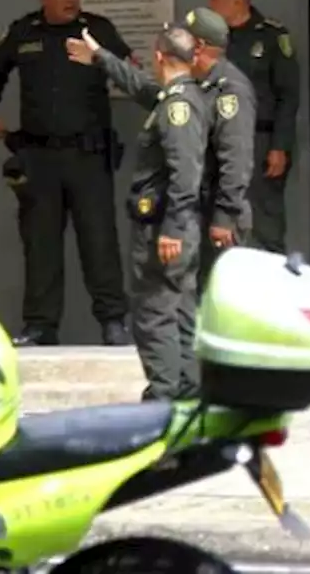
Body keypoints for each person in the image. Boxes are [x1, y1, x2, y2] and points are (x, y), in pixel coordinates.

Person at [0, 0, 132, 347]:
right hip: (40, 158)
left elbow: (129, 69)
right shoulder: (24, 32)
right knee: (41, 244)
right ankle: (41, 326)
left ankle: (113, 322)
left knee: (100, 243)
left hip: (88, 157)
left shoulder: (97, 29)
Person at [68, 8, 256, 294]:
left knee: (216, 299)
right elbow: (146, 89)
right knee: (189, 303)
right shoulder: (191, 83)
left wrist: (224, 217)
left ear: (200, 47)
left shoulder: (230, 89)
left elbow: (236, 159)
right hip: (195, 209)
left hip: (218, 215)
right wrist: (100, 57)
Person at [115, 25, 208, 400]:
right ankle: (188, 392)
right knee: (182, 311)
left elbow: (184, 173)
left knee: (154, 313)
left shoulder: (178, 106)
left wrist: (171, 227)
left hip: (164, 230)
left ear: (159, 57)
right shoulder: (180, 97)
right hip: (177, 226)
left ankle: (164, 399)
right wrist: (101, 58)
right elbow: (140, 88)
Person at [206, 0, 300, 254]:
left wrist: (280, 146)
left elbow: (288, 95)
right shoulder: (212, 40)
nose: (209, 4)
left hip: (259, 142)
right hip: (218, 144)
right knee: (220, 226)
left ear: (236, 1)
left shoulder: (271, 36)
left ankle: (272, 295)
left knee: (265, 228)